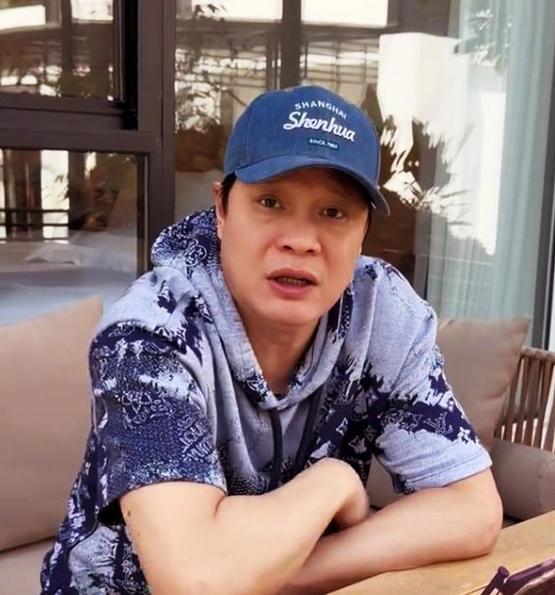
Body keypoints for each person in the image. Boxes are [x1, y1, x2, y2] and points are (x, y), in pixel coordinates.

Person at [41, 85, 502, 594]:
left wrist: (266, 577)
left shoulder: (381, 311)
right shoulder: (149, 334)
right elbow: (197, 581)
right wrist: (332, 482)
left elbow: (473, 510)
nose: (300, 241)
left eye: (334, 213)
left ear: (363, 231)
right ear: (222, 209)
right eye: (270, 202)